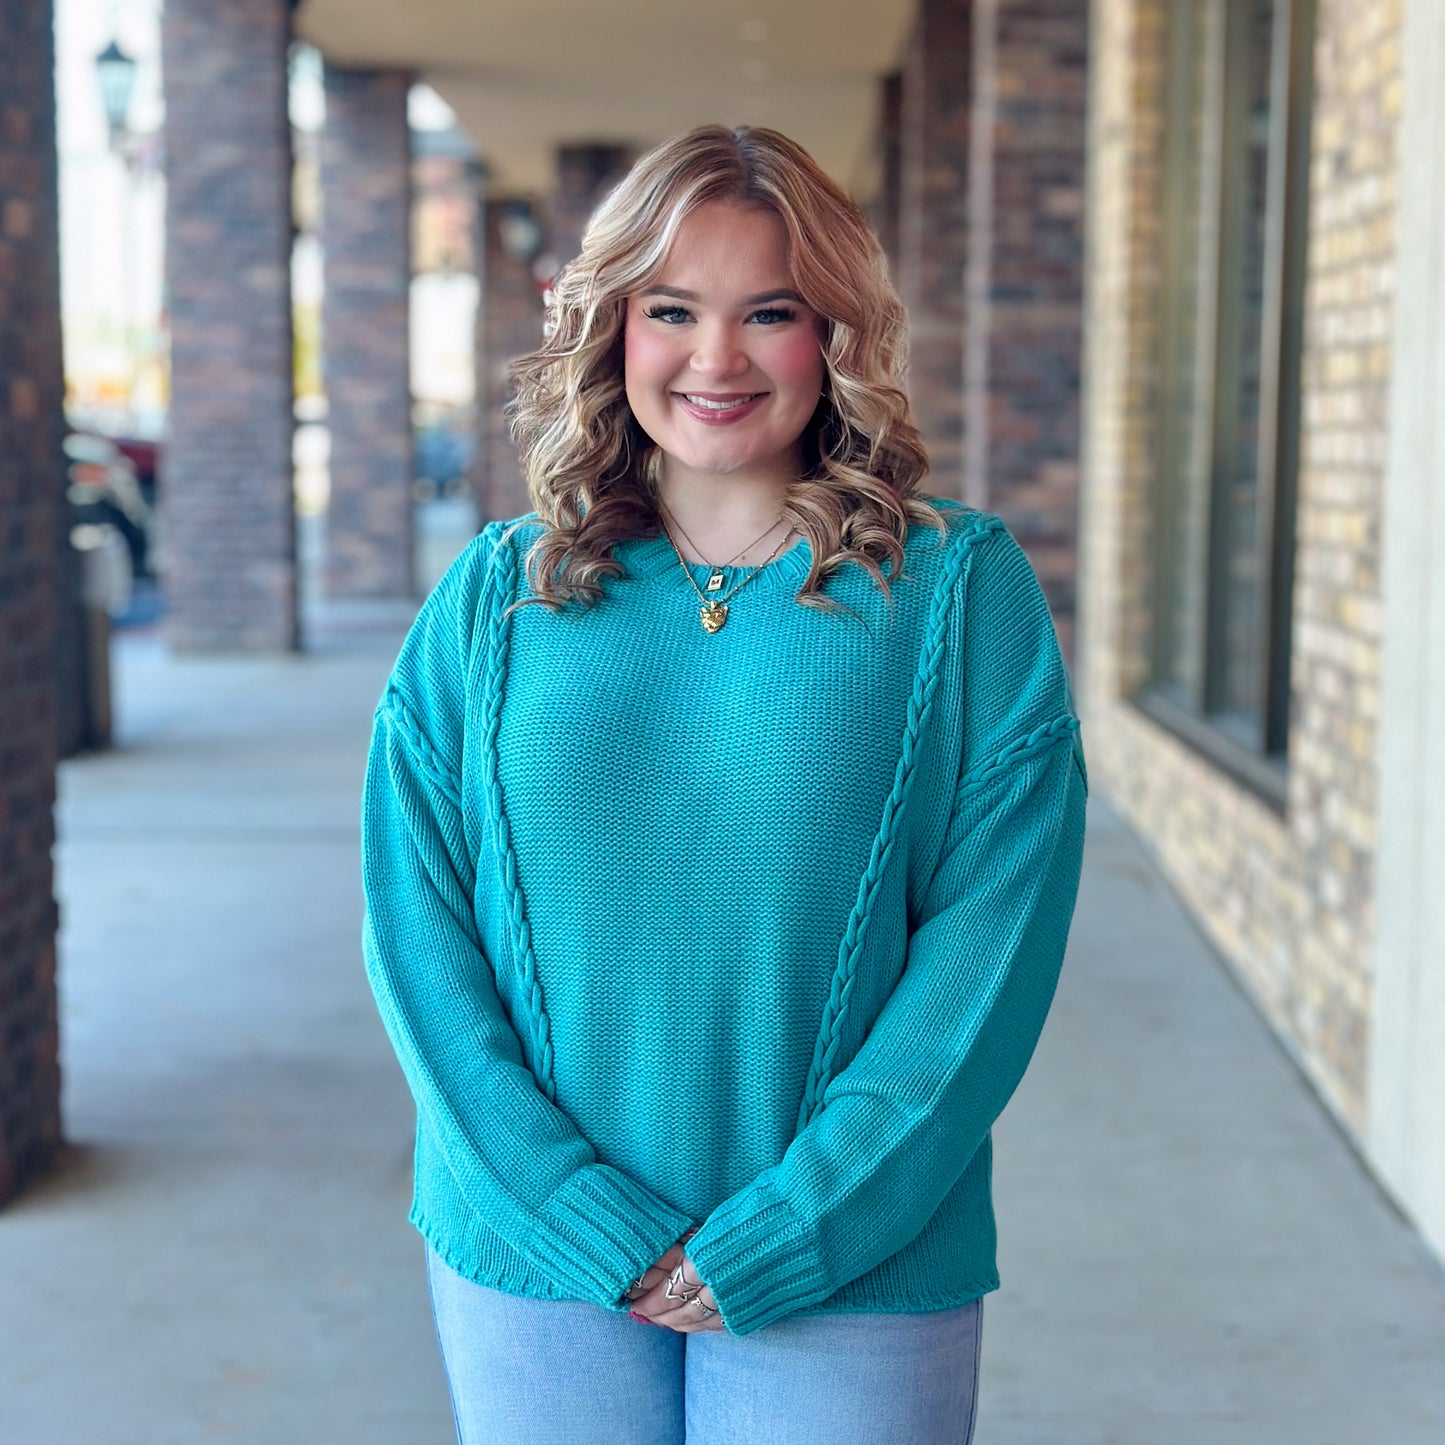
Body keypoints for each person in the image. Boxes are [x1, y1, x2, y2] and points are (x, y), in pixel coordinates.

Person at [359, 123, 1088, 1445]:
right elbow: (417, 930)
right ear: (609, 328)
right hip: (533, 1246)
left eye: (770, 312)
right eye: (670, 310)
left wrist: (803, 1221)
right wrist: (565, 1205)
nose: (715, 359)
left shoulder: (953, 592)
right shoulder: (491, 594)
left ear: (837, 335)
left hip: (851, 1254)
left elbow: (989, 951)